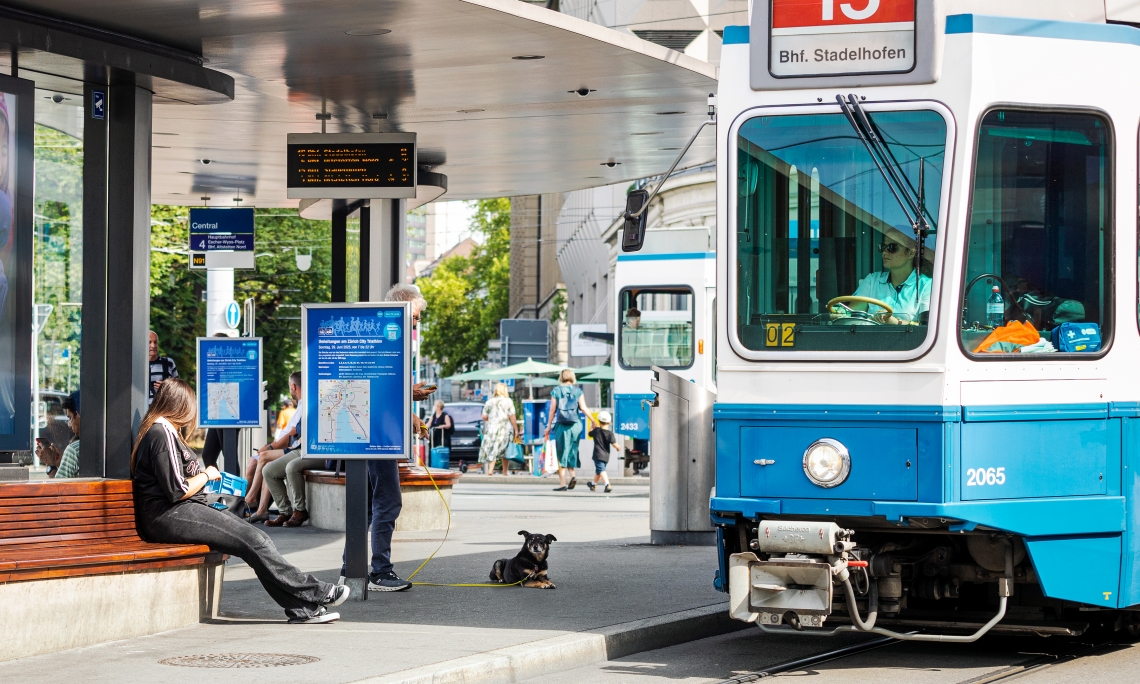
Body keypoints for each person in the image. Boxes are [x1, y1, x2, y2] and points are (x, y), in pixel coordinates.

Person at [131, 378, 349, 623]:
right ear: (180, 404)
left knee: (258, 539)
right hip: (169, 514)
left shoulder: (167, 431)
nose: (192, 412)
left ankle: (302, 609)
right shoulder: (161, 433)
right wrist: (206, 474)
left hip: (182, 509)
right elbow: (177, 490)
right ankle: (317, 592)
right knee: (253, 539)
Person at [339, 283, 435, 592]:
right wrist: (412, 393)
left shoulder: (379, 340)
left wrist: (413, 417)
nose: (418, 325)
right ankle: (380, 571)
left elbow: (380, 391)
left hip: (368, 430)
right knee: (388, 502)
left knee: (367, 504)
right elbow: (377, 388)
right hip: (377, 435)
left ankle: (349, 566)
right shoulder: (387, 342)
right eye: (416, 317)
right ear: (404, 308)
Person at [262, 373, 326, 528]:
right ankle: (285, 511)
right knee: (268, 471)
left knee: (292, 467)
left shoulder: (319, 401)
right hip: (302, 449)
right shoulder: (305, 403)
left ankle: (300, 510)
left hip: (320, 451)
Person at [250, 372, 304, 524]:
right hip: (295, 446)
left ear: (293, 387)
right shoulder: (300, 404)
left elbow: (291, 433)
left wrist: (271, 446)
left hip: (299, 447)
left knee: (266, 459)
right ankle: (277, 511)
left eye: (289, 387)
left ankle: (251, 499)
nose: (290, 390)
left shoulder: (306, 404)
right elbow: (291, 431)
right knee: (267, 467)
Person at [846, 229, 932, 324]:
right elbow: (851, 318)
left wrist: (894, 322)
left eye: (892, 247)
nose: (884, 252)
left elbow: (926, 328)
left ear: (911, 253)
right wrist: (840, 314)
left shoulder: (927, 285)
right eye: (883, 247)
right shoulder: (872, 280)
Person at [544, 368, 589, 492]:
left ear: (561, 377)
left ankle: (563, 483)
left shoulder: (556, 391)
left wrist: (548, 426)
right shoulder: (578, 391)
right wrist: (594, 421)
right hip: (576, 425)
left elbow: (552, 409)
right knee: (572, 450)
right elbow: (584, 408)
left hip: (562, 425)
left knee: (561, 452)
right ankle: (573, 476)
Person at [35, 391, 81, 479]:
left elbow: (58, 489)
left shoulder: (74, 450)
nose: (69, 424)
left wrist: (51, 465)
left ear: (78, 415)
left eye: (70, 418)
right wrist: (61, 463)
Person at [478, 383, 520, 476]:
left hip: (492, 428)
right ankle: (505, 472)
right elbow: (512, 416)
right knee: (505, 450)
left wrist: (492, 419)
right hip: (505, 428)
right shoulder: (508, 401)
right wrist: (516, 429)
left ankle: (490, 470)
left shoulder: (489, 401)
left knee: (493, 447)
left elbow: (484, 416)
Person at [586, 410, 619, 493]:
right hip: (606, 456)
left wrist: (592, 426)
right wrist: (618, 447)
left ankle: (601, 484)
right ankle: (599, 484)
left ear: (599, 421)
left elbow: (589, 433)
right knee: (600, 470)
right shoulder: (610, 433)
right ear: (610, 422)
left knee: (600, 470)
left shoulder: (596, 431)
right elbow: (614, 444)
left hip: (597, 455)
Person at [148, 331, 179, 404]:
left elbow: (179, 389)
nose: (153, 345)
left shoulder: (168, 363)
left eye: (155, 342)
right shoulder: (137, 365)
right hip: (142, 412)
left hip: (163, 411)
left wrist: (166, 387)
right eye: (149, 342)